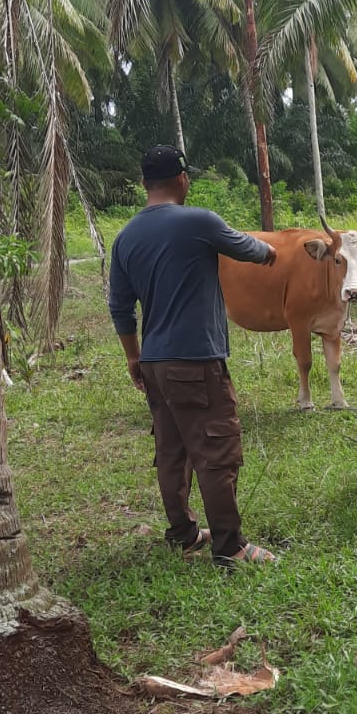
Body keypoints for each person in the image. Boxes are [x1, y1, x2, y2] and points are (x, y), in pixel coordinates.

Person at [108, 145, 278, 566]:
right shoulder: (199, 222)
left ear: (144, 183)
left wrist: (133, 358)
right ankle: (230, 547)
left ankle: (183, 535)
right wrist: (273, 250)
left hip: (154, 363)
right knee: (216, 448)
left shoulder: (125, 237)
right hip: (195, 361)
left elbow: (120, 307)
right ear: (182, 179)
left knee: (172, 450)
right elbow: (254, 250)